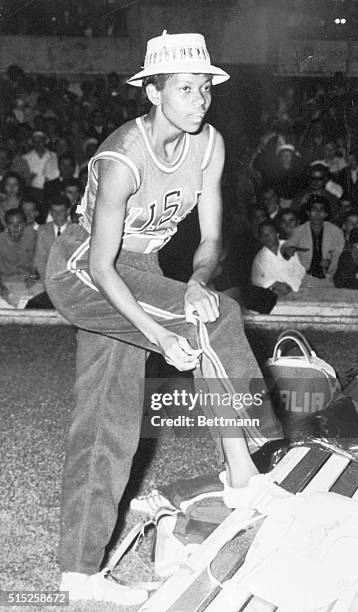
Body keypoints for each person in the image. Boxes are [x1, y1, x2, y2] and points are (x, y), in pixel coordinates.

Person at [45, 31, 282, 606]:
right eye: (184, 88)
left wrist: (195, 283)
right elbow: (102, 266)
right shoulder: (123, 157)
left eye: (205, 88)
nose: (199, 100)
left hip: (142, 268)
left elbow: (211, 239)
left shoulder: (209, 145)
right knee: (217, 317)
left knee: (109, 416)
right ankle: (247, 471)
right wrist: (160, 331)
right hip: (84, 269)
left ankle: (77, 574)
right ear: (152, 92)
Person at [282, 195, 345, 287]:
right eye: (314, 209)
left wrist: (330, 263)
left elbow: (339, 254)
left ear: (326, 214)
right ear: (308, 213)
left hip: (328, 278)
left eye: (321, 210)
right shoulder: (299, 231)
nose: (317, 213)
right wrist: (287, 250)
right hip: (305, 278)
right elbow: (287, 246)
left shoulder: (336, 232)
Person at [246, 220, 305, 313]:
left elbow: (302, 269)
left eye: (270, 232)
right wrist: (275, 284)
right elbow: (256, 279)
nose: (267, 237)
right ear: (260, 238)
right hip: (279, 298)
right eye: (263, 234)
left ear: (277, 234)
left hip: (301, 291)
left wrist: (292, 286)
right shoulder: (260, 257)